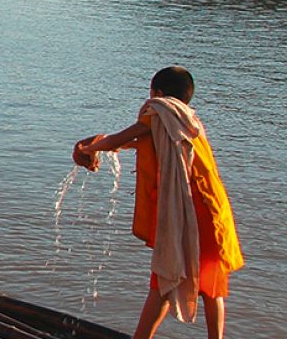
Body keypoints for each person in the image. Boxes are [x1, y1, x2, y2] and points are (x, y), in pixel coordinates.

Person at [75, 66, 243, 339]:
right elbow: (134, 142)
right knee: (211, 289)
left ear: (159, 94)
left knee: (164, 281)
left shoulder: (160, 112)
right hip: (214, 214)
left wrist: (86, 149)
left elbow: (122, 138)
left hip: (189, 216)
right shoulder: (188, 121)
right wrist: (99, 144)